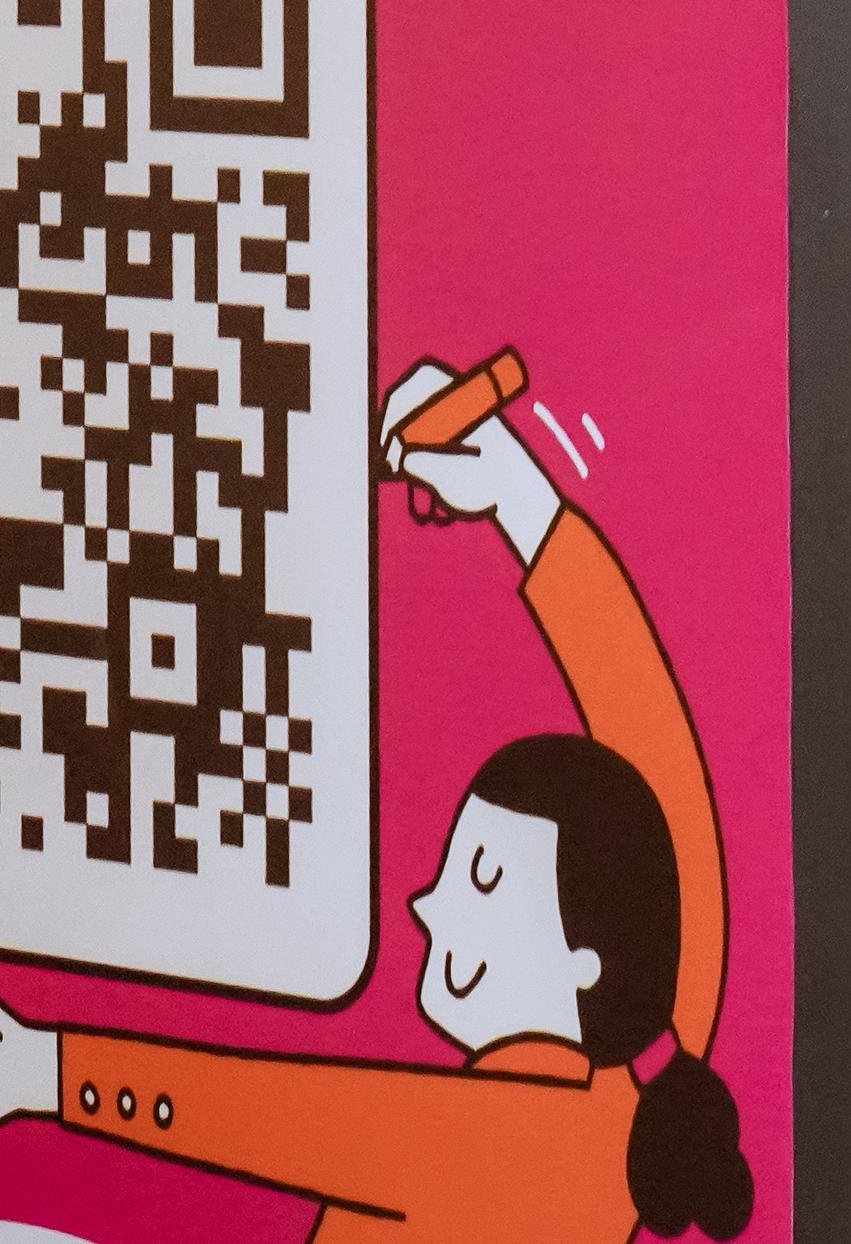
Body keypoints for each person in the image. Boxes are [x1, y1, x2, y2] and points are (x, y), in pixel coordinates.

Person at [0, 359, 756, 1243]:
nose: (426, 904)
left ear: (587, 961)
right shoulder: (640, 1088)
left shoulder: (503, 1135)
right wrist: (521, 502)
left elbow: (279, 1114)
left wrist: (49, 1071)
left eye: (483, 880)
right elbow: (666, 801)